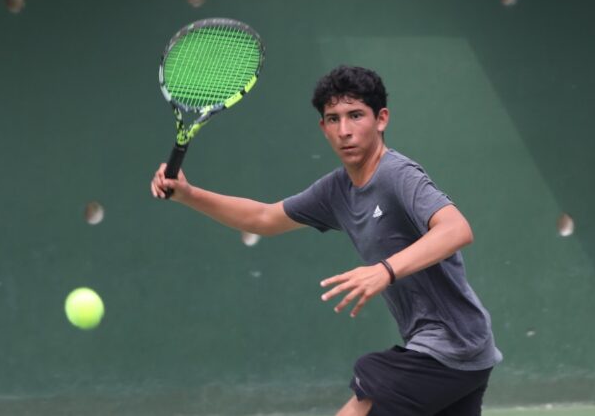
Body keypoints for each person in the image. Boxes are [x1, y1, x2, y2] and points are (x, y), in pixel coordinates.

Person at [150, 65, 502, 415]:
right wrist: (189, 194)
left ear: (381, 119)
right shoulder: (337, 190)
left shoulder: (398, 175)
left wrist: (384, 271)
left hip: (452, 346)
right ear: (323, 127)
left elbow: (457, 229)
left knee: (364, 397)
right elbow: (264, 218)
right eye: (333, 119)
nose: (344, 131)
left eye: (355, 116)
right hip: (460, 351)